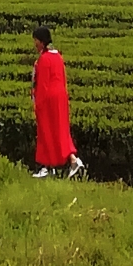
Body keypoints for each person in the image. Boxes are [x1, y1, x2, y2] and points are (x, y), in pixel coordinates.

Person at [30, 25, 86, 179]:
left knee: (46, 131)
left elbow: (42, 85)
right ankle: (57, 164)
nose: (35, 44)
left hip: (48, 99)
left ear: (41, 42)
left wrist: (37, 103)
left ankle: (48, 166)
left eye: (35, 40)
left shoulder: (44, 59)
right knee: (60, 130)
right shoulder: (58, 57)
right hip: (60, 97)